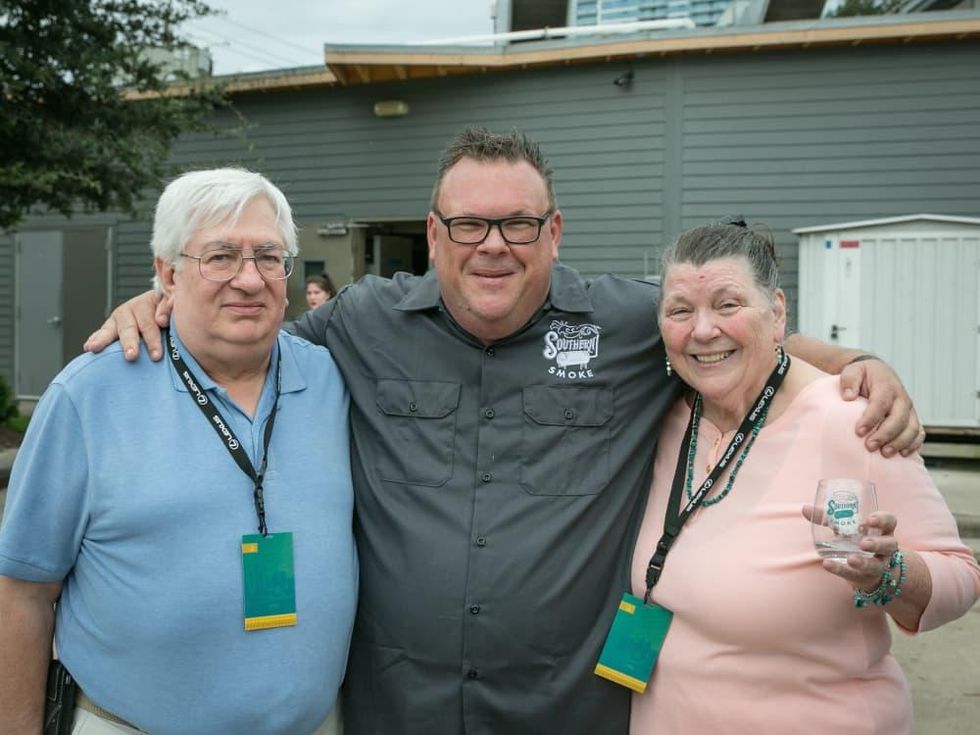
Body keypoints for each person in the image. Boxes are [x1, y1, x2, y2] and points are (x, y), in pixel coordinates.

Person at [83, 129, 924, 735]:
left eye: (518, 224)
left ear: (553, 232)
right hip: (397, 708)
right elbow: (243, 334)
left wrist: (860, 359)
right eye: (469, 225)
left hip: (567, 710)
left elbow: (733, 337)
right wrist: (159, 302)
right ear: (435, 232)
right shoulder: (362, 321)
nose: (494, 245)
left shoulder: (627, 323)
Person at [0, 168, 357, 734]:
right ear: (167, 272)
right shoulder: (88, 396)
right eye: (219, 257)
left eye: (268, 256)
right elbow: (21, 594)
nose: (249, 279)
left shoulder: (333, 378)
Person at [629, 221, 980, 733]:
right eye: (681, 310)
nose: (703, 330)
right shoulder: (667, 417)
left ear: (777, 313)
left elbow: (961, 576)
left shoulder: (852, 422)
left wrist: (889, 575)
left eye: (728, 305)